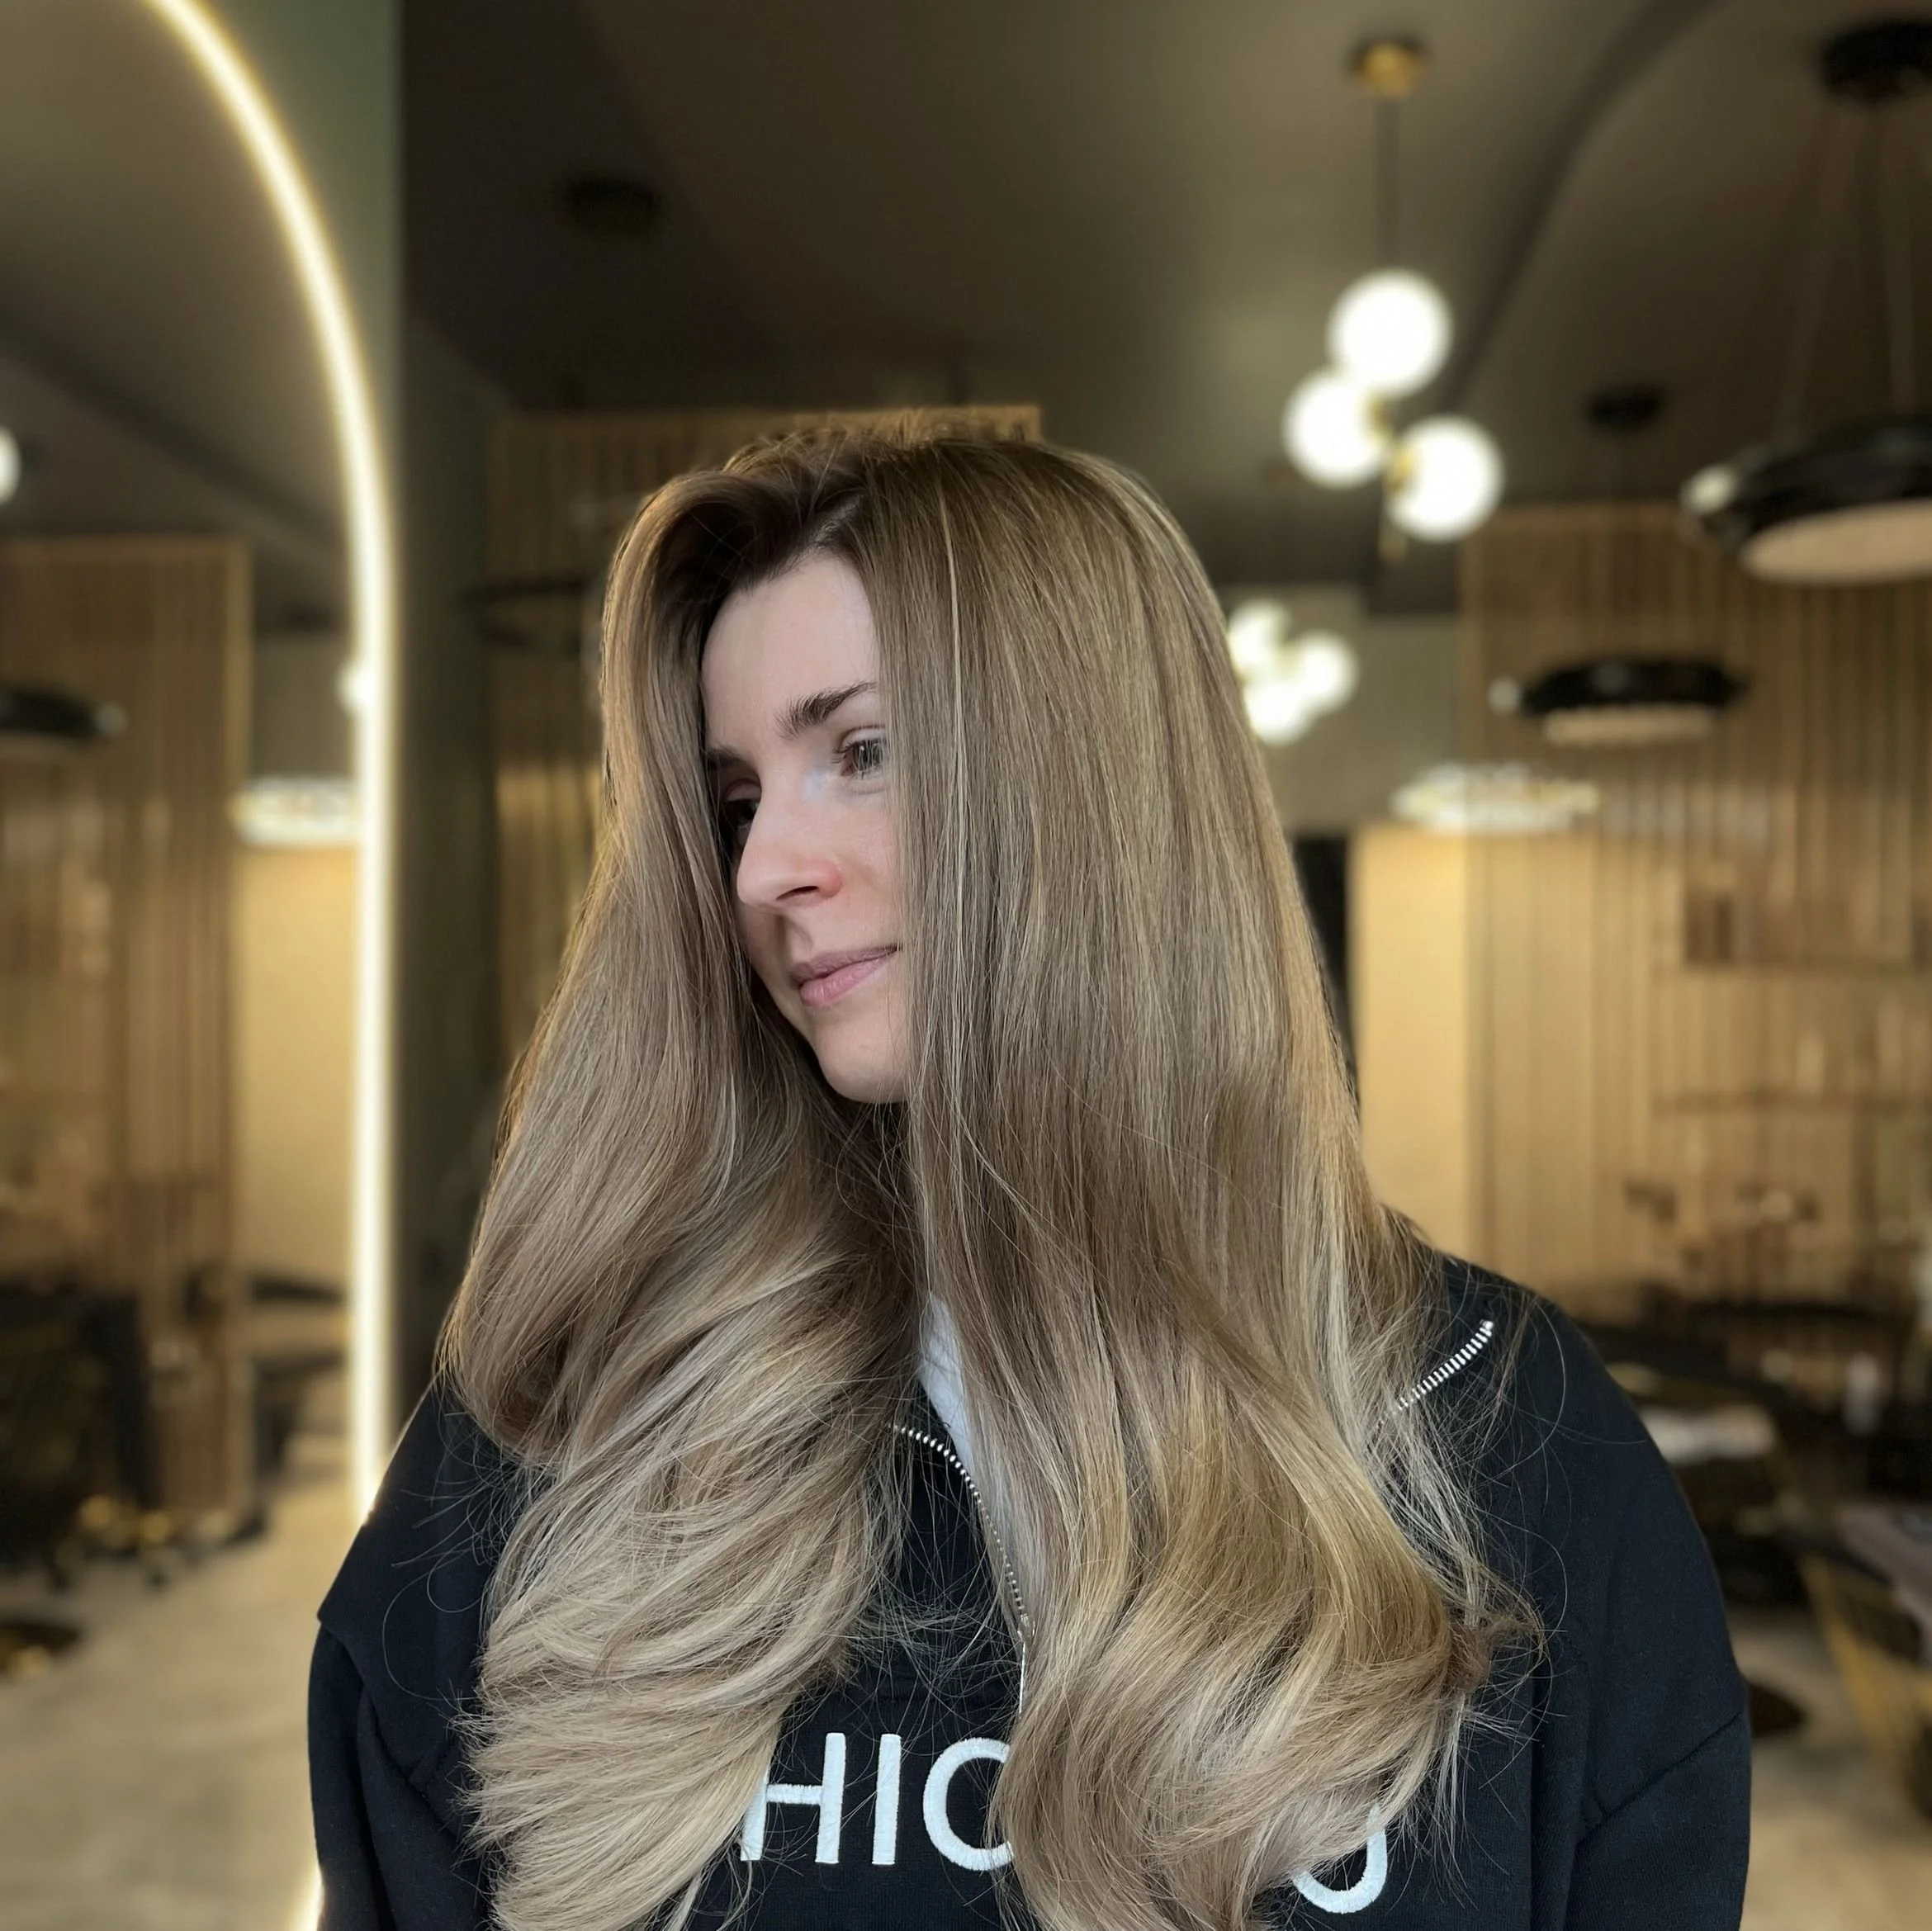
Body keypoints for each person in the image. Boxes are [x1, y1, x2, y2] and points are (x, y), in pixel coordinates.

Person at [310, 427, 1750, 1931]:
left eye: (858, 752)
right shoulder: (563, 1428)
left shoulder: (1515, 1444)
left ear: (1097, 797)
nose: (759, 870)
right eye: (738, 797)